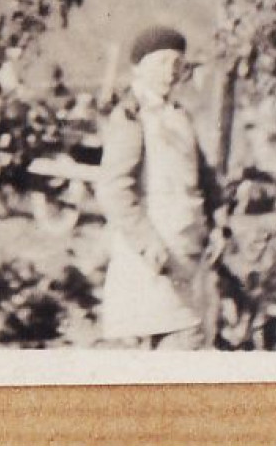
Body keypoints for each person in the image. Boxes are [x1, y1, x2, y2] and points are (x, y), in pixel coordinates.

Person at [95, 26, 218, 349]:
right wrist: (148, 243)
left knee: (183, 340)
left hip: (186, 245)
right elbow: (114, 188)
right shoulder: (131, 117)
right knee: (175, 342)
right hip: (150, 254)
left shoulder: (179, 116)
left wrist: (219, 225)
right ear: (139, 67)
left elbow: (205, 179)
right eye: (161, 62)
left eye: (177, 63)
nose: (170, 71)